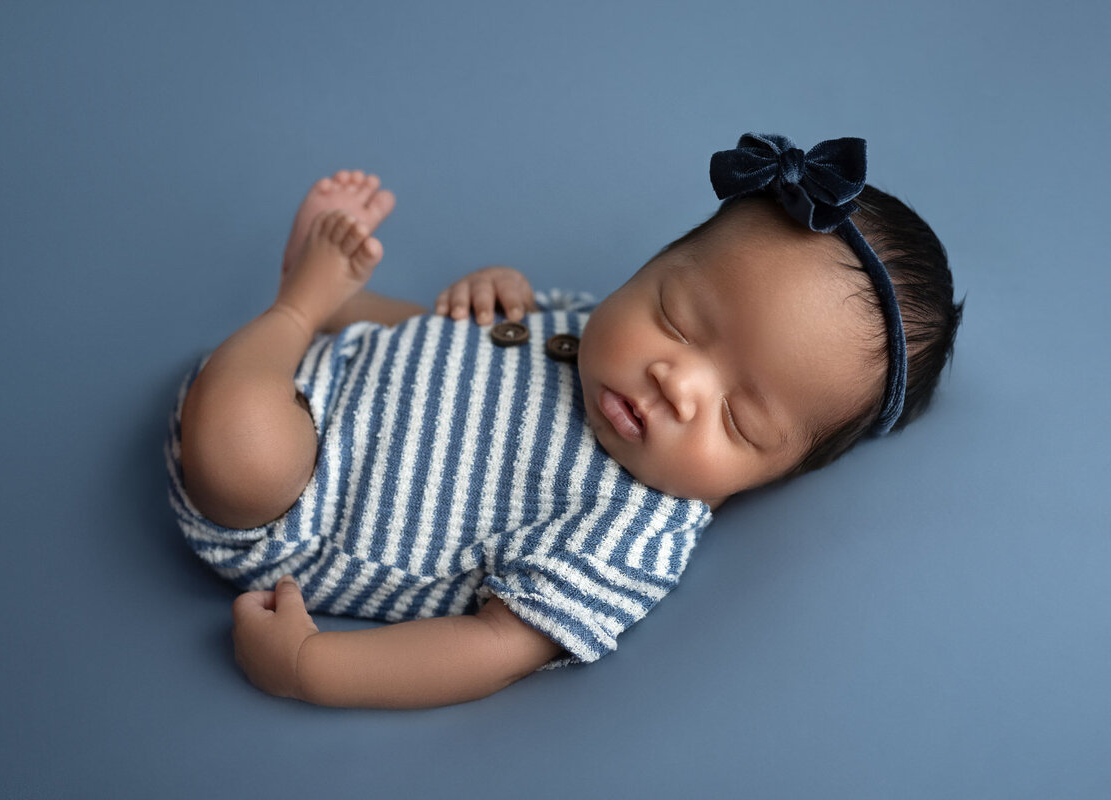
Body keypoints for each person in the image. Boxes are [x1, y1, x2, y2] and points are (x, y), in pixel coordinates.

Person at [166, 134, 962, 709]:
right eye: (676, 317)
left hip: (287, 492)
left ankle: (298, 306)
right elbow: (479, 337)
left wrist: (310, 666)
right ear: (649, 267)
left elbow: (489, 649)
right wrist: (492, 290)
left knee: (240, 458)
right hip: (340, 368)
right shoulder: (592, 329)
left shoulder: (632, 532)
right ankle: (330, 309)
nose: (675, 380)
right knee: (415, 327)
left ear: (772, 475)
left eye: (738, 418)